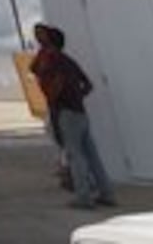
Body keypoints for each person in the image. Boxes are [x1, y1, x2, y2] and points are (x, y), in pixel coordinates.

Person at [31, 21, 117, 210]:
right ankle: (106, 193)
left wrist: (56, 100)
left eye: (43, 38)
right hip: (79, 112)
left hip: (65, 112)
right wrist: (77, 97)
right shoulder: (68, 60)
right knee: (91, 154)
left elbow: (38, 70)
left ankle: (83, 197)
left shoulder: (52, 59)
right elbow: (88, 84)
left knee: (75, 155)